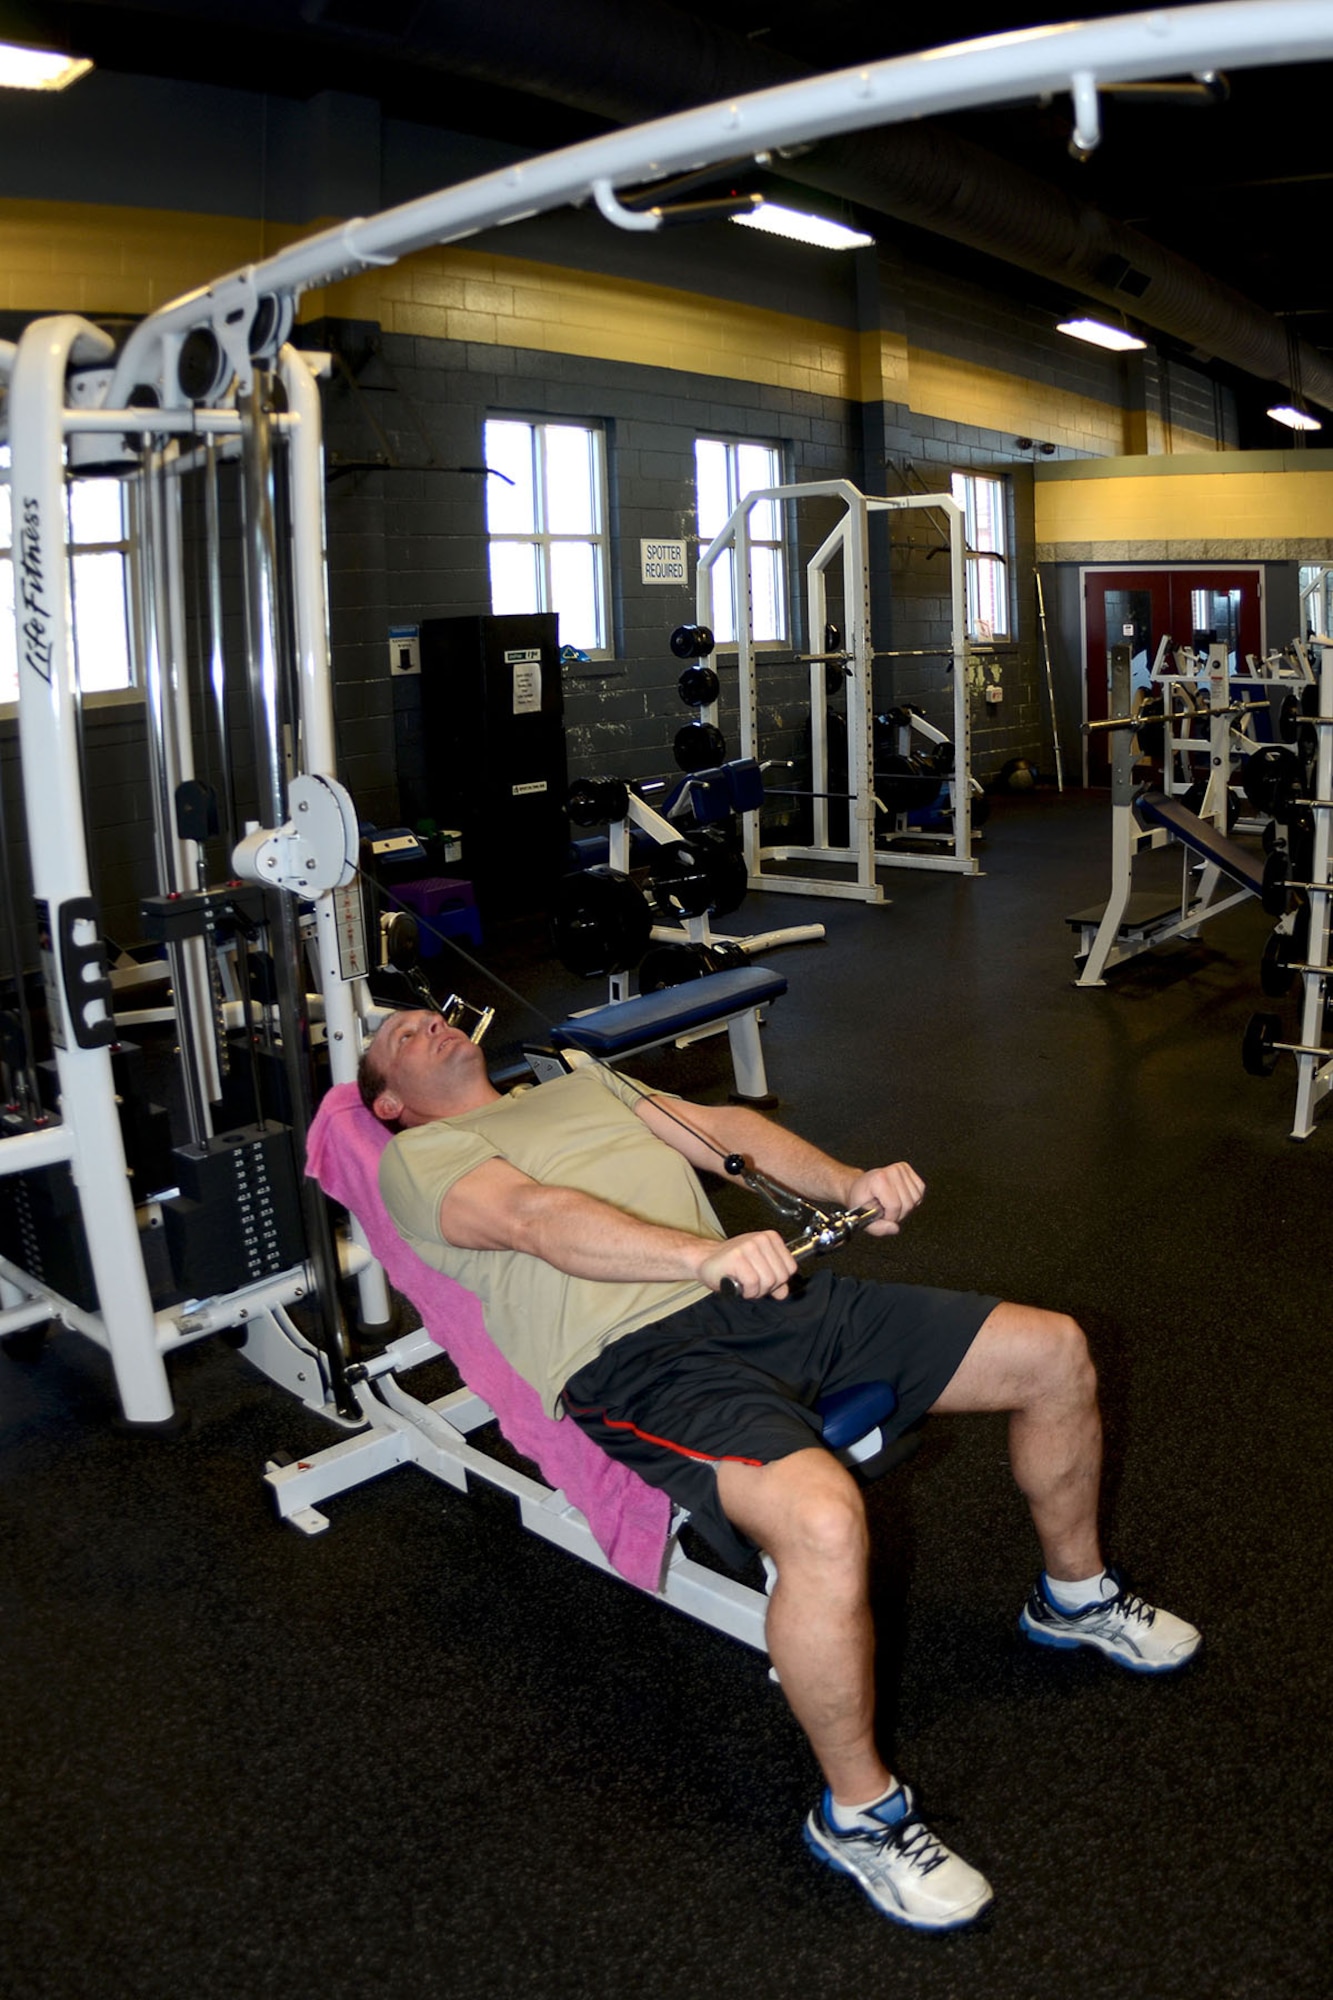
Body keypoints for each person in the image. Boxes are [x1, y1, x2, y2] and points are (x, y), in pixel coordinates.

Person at [360, 1008, 1200, 1934]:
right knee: (824, 1522)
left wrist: (851, 1184)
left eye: (429, 1016)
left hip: (770, 1301)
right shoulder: (418, 1160)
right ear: (389, 1103)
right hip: (639, 1359)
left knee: (1054, 1352)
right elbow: (534, 1219)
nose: (427, 1027)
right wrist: (701, 1254)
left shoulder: (578, 1083)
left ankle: (1074, 1597)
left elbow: (723, 1133)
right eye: (399, 1038)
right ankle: (861, 1817)